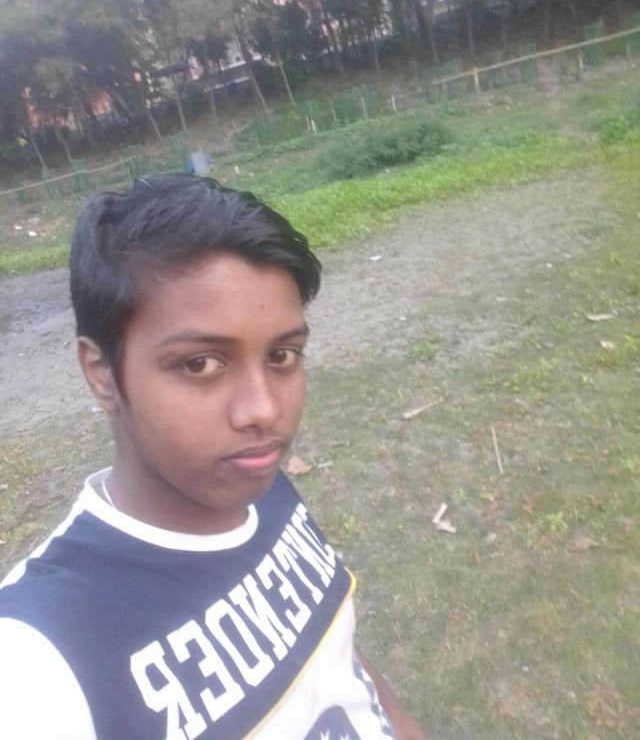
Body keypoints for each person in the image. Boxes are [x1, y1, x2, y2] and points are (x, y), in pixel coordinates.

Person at [0, 174, 427, 739]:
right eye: (200, 364)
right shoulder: (39, 658)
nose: (264, 411)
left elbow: (335, 656)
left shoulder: (258, 483)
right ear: (101, 373)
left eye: (283, 355)